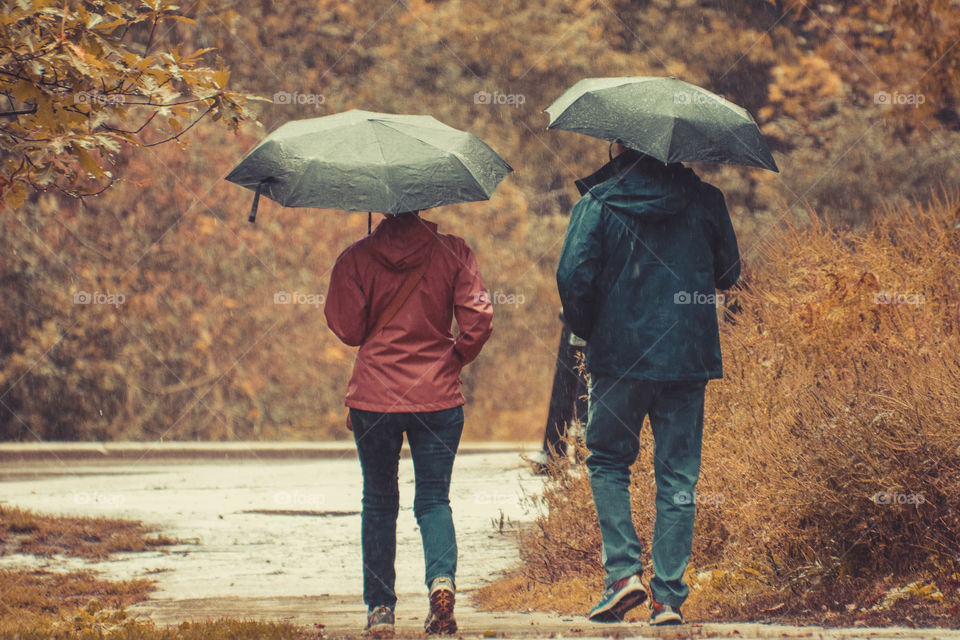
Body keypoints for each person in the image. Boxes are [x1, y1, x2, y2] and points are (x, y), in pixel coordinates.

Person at [556, 143, 740, 626]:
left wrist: (589, 328)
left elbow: (573, 277)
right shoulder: (706, 200)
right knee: (678, 477)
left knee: (610, 462)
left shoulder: (597, 203)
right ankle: (668, 600)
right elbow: (728, 274)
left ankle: (622, 577)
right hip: (688, 357)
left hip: (619, 359)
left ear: (618, 147)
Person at [325, 211, 493, 637]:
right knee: (434, 499)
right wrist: (452, 358)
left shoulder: (356, 258)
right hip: (437, 397)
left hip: (374, 398)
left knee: (379, 501)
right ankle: (441, 583)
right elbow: (478, 321)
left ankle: (381, 609)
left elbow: (346, 328)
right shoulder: (454, 252)